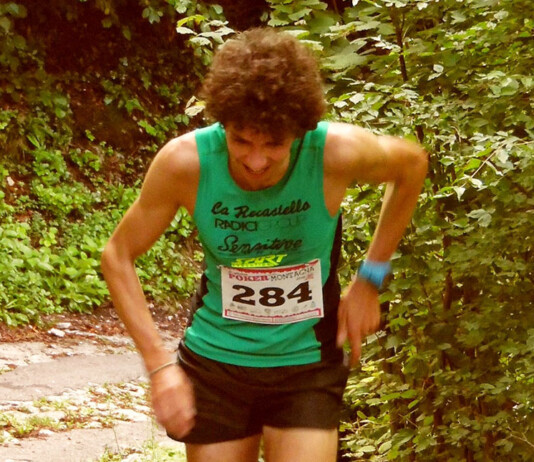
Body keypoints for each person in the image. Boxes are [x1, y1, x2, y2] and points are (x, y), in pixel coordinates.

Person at [101, 27, 427, 462]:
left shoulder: (335, 152)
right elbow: (117, 255)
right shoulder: (186, 163)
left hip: (307, 362)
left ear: (299, 131)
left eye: (274, 144)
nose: (256, 160)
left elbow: (412, 166)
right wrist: (159, 366)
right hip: (217, 362)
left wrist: (370, 277)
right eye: (240, 140)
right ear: (223, 123)